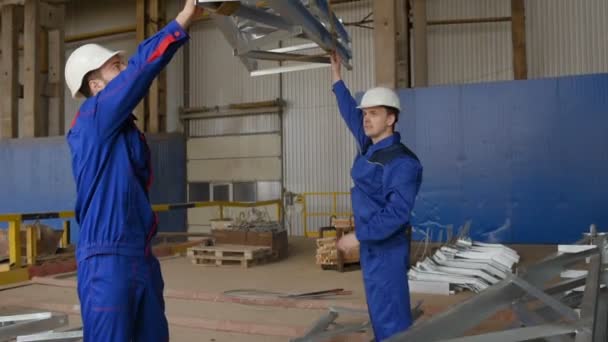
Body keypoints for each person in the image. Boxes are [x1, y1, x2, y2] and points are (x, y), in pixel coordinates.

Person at [64, 1, 201, 340]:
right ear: (95, 86)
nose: (125, 70)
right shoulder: (94, 118)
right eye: (116, 66)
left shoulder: (125, 129)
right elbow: (142, 69)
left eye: (122, 63)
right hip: (107, 259)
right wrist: (183, 20)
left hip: (139, 255)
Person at [330, 52, 423, 341]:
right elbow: (349, 112)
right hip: (372, 244)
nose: (366, 119)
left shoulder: (403, 163)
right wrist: (337, 79)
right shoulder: (371, 145)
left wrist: (357, 236)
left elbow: (397, 213)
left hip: (387, 247)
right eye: (365, 113)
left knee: (389, 307)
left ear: (391, 118)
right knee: (378, 305)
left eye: (374, 113)